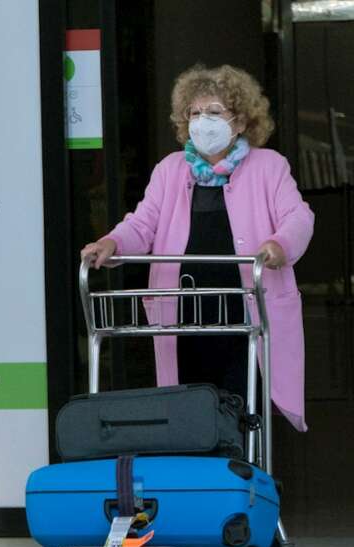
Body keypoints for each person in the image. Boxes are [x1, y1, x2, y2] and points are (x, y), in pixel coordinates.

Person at [80, 64, 314, 432]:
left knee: (241, 413)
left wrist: (279, 245)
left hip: (246, 316)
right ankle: (201, 485)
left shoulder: (269, 167)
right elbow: (143, 224)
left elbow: (298, 217)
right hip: (183, 315)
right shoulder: (170, 170)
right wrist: (111, 242)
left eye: (215, 112)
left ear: (239, 122)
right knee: (188, 415)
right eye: (195, 113)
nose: (203, 121)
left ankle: (238, 482)